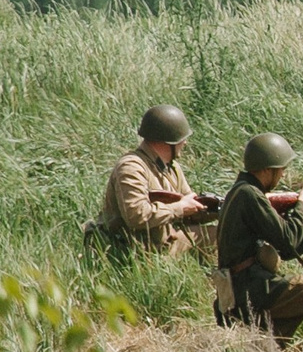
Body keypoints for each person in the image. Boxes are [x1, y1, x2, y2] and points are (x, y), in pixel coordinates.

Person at [213, 133, 303, 344]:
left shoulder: (241, 192)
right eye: (281, 169)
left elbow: (288, 250)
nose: (282, 175)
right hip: (252, 289)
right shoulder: (250, 195)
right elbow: (288, 240)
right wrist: (302, 205)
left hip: (241, 291)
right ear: (267, 170)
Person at [92, 104, 216, 256]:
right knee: (218, 237)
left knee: (220, 233)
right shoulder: (131, 167)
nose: (185, 143)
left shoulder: (172, 167)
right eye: (182, 139)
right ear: (169, 141)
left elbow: (187, 210)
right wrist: (180, 208)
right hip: (131, 250)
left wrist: (214, 210)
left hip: (160, 242)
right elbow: (136, 215)